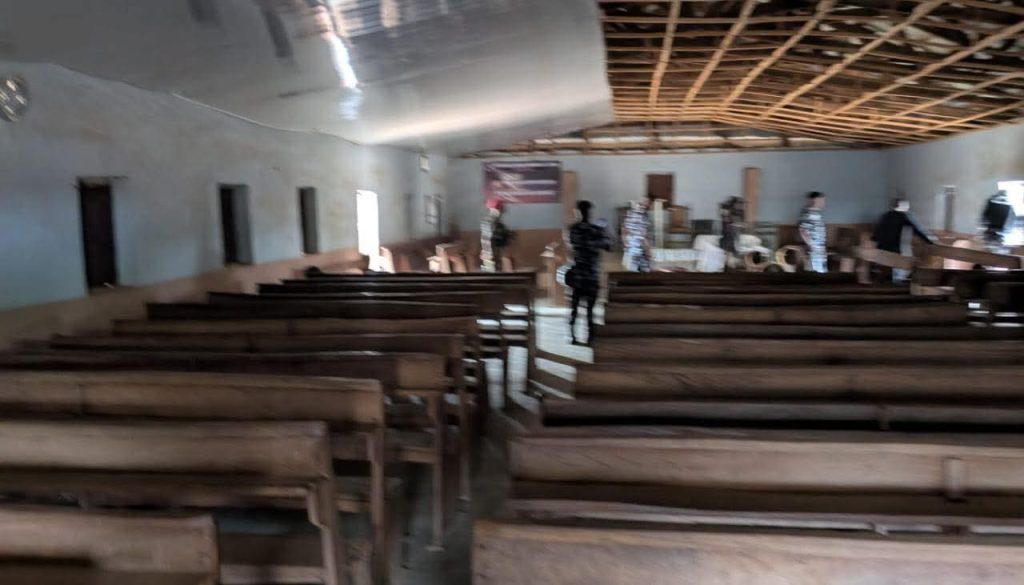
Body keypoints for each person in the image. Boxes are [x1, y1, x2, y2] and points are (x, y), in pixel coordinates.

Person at [565, 200, 612, 345]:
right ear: (590, 213)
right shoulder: (596, 230)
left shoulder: (572, 229)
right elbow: (608, 247)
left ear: (577, 212)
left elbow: (571, 244)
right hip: (592, 275)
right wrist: (605, 232)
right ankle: (590, 337)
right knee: (590, 309)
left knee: (574, 307)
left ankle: (572, 335)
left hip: (577, 275)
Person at [872, 198, 937, 283]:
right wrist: (929, 241)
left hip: (882, 246)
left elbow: (877, 231)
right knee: (900, 263)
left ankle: (886, 279)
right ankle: (896, 280)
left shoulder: (886, 215)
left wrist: (874, 243)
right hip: (894, 246)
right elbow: (916, 230)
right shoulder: (902, 217)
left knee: (888, 264)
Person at [481, 198, 513, 272]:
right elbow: (488, 239)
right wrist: (489, 255)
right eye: (501, 209)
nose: (502, 212)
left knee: (496, 271)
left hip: (494, 253)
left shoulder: (494, 222)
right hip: (491, 254)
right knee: (492, 273)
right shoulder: (489, 222)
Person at [798, 191, 827, 273]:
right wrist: (812, 246)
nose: (823, 203)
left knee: (822, 271)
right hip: (815, 249)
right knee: (818, 272)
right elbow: (803, 231)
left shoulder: (816, 212)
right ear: (816, 200)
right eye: (822, 200)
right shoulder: (808, 213)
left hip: (819, 248)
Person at [623, 195, 653, 272]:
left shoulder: (632, 213)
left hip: (632, 245)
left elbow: (625, 230)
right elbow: (642, 235)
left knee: (634, 270)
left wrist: (626, 243)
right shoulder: (641, 214)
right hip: (637, 247)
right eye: (645, 202)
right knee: (641, 270)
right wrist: (648, 251)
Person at [719, 196, 745, 267]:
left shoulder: (739, 212)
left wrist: (738, 224)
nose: (739, 206)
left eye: (740, 204)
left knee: (733, 238)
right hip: (728, 236)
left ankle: (733, 259)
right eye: (738, 204)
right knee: (730, 237)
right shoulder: (727, 211)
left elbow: (741, 224)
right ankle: (731, 258)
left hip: (732, 236)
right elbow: (726, 221)